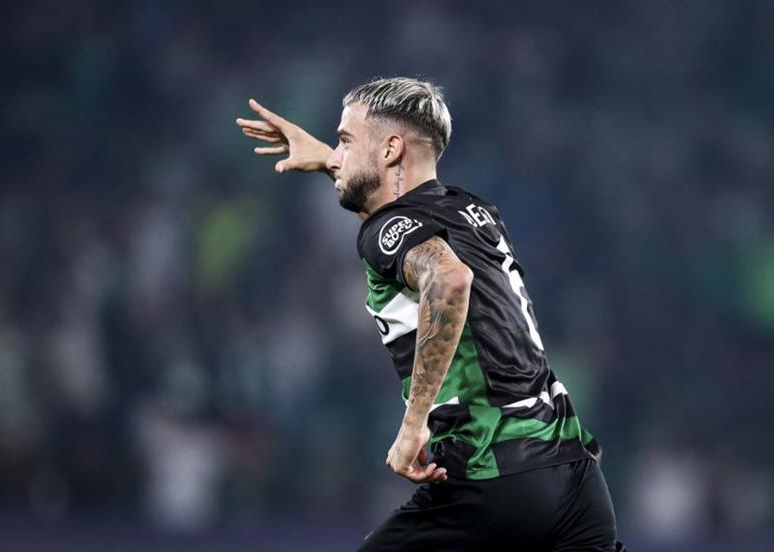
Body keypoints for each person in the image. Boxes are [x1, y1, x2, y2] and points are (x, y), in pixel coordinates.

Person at [237, 77, 625, 551]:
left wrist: (413, 423)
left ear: (390, 149)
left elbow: (448, 278)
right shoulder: (474, 210)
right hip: (575, 477)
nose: (337, 154)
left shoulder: (385, 232)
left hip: (491, 473)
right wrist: (328, 159)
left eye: (344, 140)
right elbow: (402, 217)